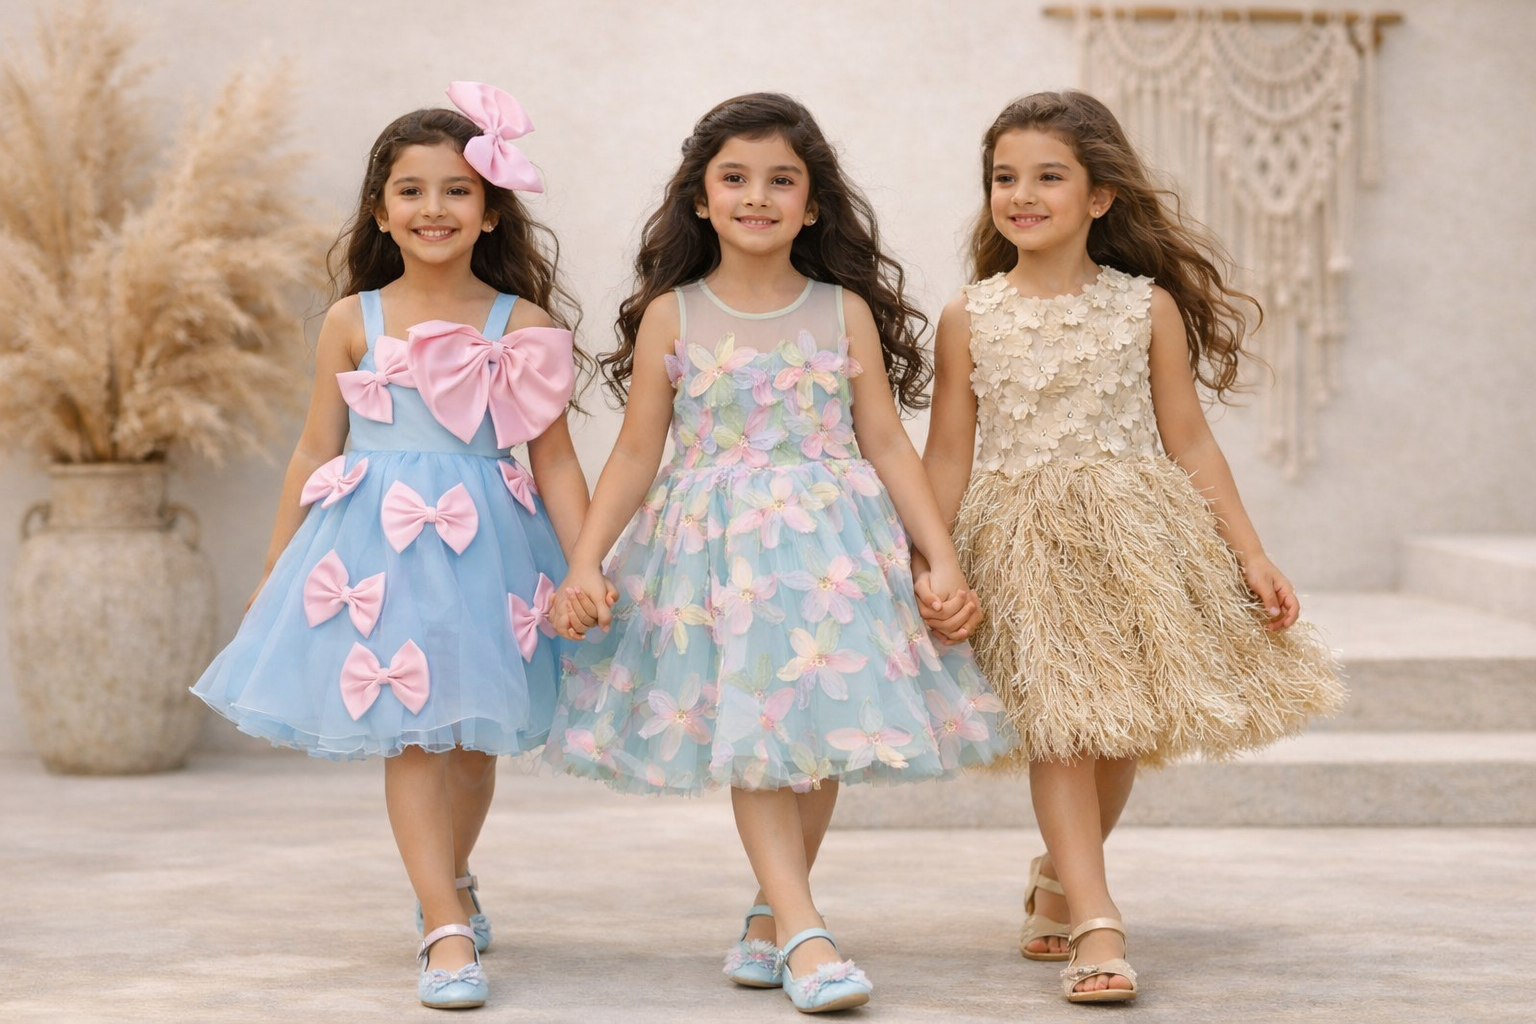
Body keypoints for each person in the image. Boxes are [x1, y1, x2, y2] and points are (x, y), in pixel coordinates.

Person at [544, 93, 1011, 1014]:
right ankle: (805, 934)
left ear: (814, 204)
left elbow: (884, 440)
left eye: (781, 180)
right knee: (759, 734)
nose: (757, 196)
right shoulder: (672, 316)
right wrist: (588, 559)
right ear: (701, 199)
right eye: (735, 178)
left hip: (835, 545)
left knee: (817, 729)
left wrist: (939, 559)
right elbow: (639, 448)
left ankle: (768, 913)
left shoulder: (842, 313)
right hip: (716, 555)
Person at [919, 90, 1343, 1005]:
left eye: (1047, 177)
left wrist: (1252, 555)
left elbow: (1189, 440)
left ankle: (1057, 874)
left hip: (1136, 533)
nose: (1021, 195)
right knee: (1064, 726)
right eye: (1004, 177)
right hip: (1021, 538)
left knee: (1118, 734)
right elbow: (948, 449)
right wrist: (929, 559)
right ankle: (1097, 922)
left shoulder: (1144, 308)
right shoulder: (969, 316)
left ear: (1100, 197)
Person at [191, 82, 589, 1010]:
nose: (434, 209)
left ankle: (451, 873)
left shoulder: (520, 327)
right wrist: (275, 564)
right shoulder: (352, 320)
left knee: (475, 740)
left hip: (493, 549)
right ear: (380, 209)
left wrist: (583, 564)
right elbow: (313, 448)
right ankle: (442, 922)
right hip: (376, 547)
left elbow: (559, 463)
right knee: (410, 731)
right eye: (410, 191)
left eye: (457, 190)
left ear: (491, 211)